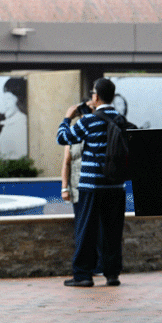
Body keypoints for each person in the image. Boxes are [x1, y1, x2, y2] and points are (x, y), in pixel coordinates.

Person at [56, 77, 126, 287]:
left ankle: (83, 275)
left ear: (95, 96)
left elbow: (63, 138)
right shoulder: (121, 120)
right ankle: (112, 274)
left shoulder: (88, 121)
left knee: (87, 231)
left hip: (91, 186)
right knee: (112, 232)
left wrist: (68, 117)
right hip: (116, 185)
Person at [0, 77, 28, 160]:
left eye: (9, 99)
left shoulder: (22, 125)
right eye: (4, 99)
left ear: (19, 100)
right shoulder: (9, 123)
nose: (4, 104)